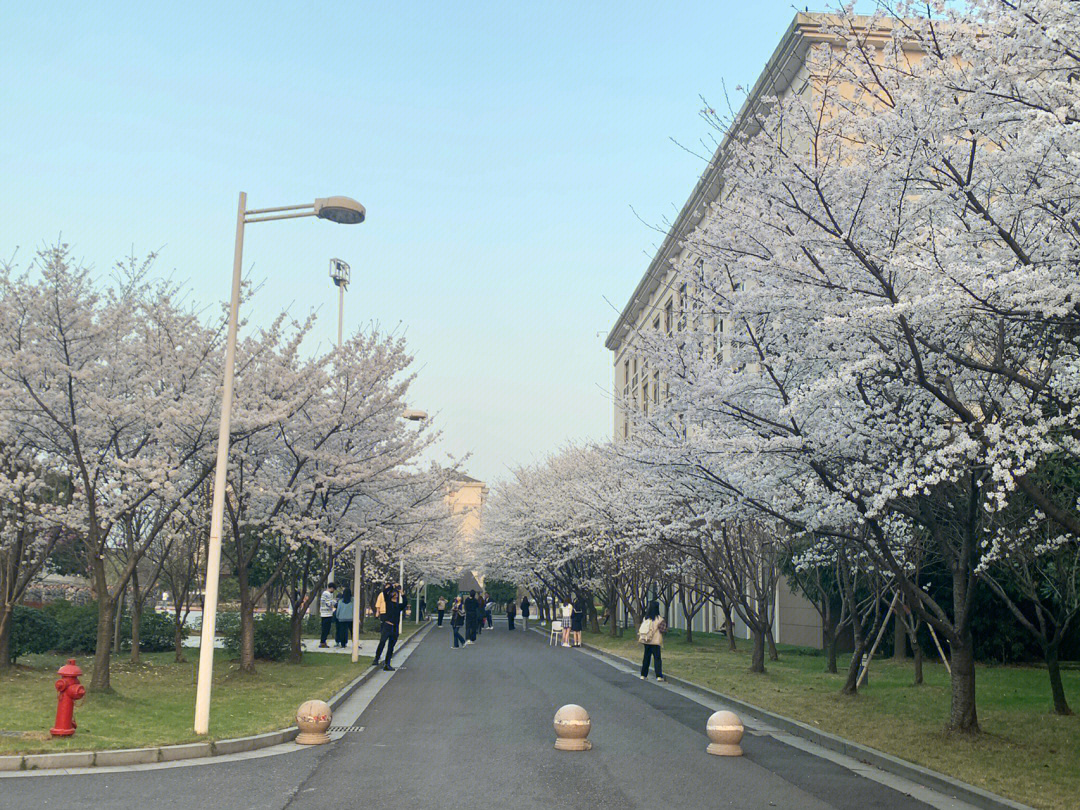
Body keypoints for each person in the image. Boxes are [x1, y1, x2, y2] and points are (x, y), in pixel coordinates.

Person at [373, 584, 404, 670]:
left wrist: (401, 592)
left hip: (395, 627)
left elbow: (405, 602)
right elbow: (385, 592)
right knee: (382, 641)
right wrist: (392, 586)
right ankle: (376, 658)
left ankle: (387, 663)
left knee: (391, 646)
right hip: (386, 621)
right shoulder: (388, 602)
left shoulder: (398, 606)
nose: (395, 594)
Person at [638, 600, 665, 681]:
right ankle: (659, 676)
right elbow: (663, 630)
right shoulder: (660, 619)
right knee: (657, 658)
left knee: (646, 657)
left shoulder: (646, 618)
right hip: (656, 642)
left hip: (647, 640)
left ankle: (643, 675)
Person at [318, 582, 337, 648]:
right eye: (333, 589)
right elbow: (329, 604)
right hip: (327, 614)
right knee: (326, 629)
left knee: (324, 629)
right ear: (331, 588)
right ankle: (323, 642)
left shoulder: (324, 593)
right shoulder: (327, 594)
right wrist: (335, 601)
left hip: (323, 613)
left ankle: (323, 641)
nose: (333, 591)